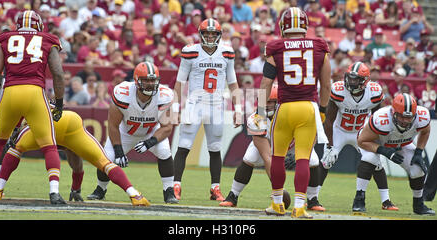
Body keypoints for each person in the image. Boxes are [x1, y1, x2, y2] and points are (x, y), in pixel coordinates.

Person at [0, 109, 150, 206]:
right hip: (70, 122)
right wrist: (75, 188)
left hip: (45, 124)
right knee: (104, 163)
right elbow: (77, 166)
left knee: (16, 149)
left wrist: (16, 129)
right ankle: (134, 194)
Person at [0, 10, 66, 204]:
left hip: (10, 92)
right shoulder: (48, 39)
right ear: (38, 26)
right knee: (49, 145)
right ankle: (54, 192)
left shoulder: (5, 38)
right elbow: (58, 74)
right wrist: (60, 102)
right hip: (34, 92)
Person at [259, 7, 331, 218]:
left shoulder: (276, 47)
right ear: (305, 25)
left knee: (277, 156)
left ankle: (277, 204)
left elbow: (265, 83)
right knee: (302, 159)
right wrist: (323, 110)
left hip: (285, 107)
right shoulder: (319, 46)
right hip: (308, 108)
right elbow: (326, 85)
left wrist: (259, 111)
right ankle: (299, 207)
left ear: (283, 25)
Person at [87, 61, 179, 204]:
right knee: (107, 157)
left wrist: (150, 142)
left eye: (153, 80)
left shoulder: (165, 95)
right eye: (146, 80)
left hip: (151, 131)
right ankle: (100, 189)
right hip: (125, 132)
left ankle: (169, 191)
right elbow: (113, 125)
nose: (150, 84)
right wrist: (118, 150)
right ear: (136, 81)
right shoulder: (122, 93)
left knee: (165, 151)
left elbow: (167, 127)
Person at [172, 18, 242, 202]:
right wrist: (175, 108)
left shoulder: (226, 53)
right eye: (207, 33)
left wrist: (239, 109)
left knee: (215, 148)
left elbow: (233, 83)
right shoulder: (190, 52)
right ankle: (175, 186)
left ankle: (215, 188)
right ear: (200, 34)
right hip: (194, 103)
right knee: (184, 146)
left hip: (216, 105)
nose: (210, 37)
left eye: (213, 34)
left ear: (219, 36)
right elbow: (179, 82)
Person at [320, 61, 398, 212]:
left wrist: (376, 141)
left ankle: (386, 201)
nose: (351, 81)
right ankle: (312, 199)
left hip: (362, 131)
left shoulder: (374, 92)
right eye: (350, 77)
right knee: (326, 160)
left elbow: (377, 119)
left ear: (364, 81)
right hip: (339, 130)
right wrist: (329, 145)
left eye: (355, 79)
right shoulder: (339, 89)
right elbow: (329, 120)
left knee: (376, 162)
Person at [356, 93, 434, 215]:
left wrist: (419, 151)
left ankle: (418, 204)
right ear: (393, 112)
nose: (405, 121)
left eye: (409, 118)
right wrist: (384, 151)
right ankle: (359, 199)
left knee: (418, 168)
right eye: (401, 117)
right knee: (370, 158)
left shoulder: (422, 116)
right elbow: (362, 141)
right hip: (375, 141)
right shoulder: (381, 119)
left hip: (401, 143)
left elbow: (425, 132)